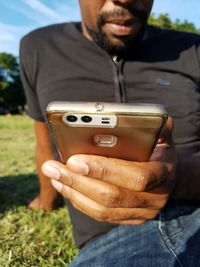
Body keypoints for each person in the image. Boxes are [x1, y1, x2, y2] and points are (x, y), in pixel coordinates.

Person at [20, 0, 200, 266]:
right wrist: (46, 201)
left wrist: (178, 176)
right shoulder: (38, 47)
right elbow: (44, 142)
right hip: (110, 239)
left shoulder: (193, 48)